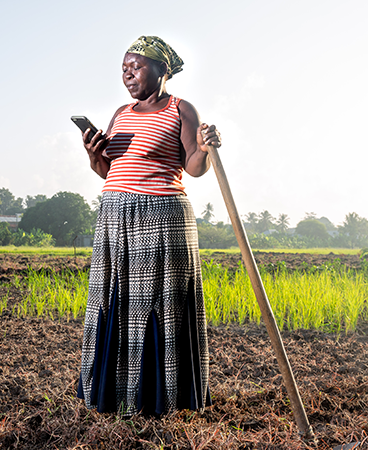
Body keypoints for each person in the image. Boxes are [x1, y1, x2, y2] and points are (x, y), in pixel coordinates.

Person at [76, 36, 221, 417]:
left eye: (136, 66)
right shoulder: (121, 113)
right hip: (114, 214)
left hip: (161, 216)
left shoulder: (180, 109)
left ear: (164, 70)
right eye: (124, 67)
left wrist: (206, 147)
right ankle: (117, 394)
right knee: (115, 302)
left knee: (158, 305)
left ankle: (160, 398)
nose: (128, 73)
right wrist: (94, 157)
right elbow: (110, 171)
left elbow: (193, 166)